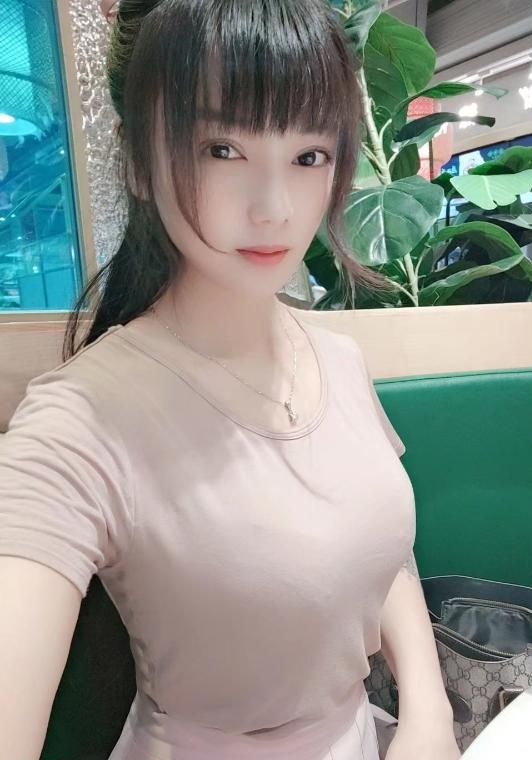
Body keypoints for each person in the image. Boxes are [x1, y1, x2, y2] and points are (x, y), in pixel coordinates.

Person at [0, 1, 461, 758]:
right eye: (222, 149)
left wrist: (428, 713)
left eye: (309, 156)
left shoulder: (338, 360)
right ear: (139, 161)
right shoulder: (82, 419)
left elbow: (381, 548)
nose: (275, 209)